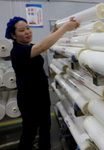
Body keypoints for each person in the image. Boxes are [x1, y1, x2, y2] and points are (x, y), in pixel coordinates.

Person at [5, 16, 79, 150]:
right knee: (30, 132)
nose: (27, 32)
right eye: (22, 30)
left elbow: (43, 46)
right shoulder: (17, 51)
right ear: (13, 35)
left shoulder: (29, 47)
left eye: (28, 28)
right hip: (28, 99)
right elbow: (42, 46)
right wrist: (64, 29)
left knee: (46, 128)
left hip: (42, 95)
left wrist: (54, 31)